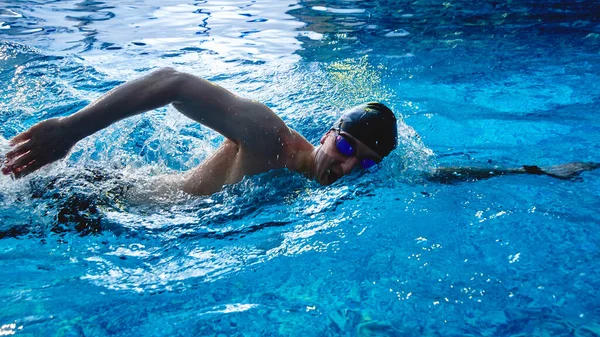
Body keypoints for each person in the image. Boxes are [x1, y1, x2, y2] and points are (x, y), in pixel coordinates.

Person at [1, 68, 598, 195]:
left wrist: (535, 169)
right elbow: (175, 84)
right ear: (326, 131)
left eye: (360, 162)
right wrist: (72, 130)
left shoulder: (352, 182)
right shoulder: (268, 139)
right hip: (111, 203)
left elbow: (436, 176)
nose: (342, 166)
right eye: (342, 147)